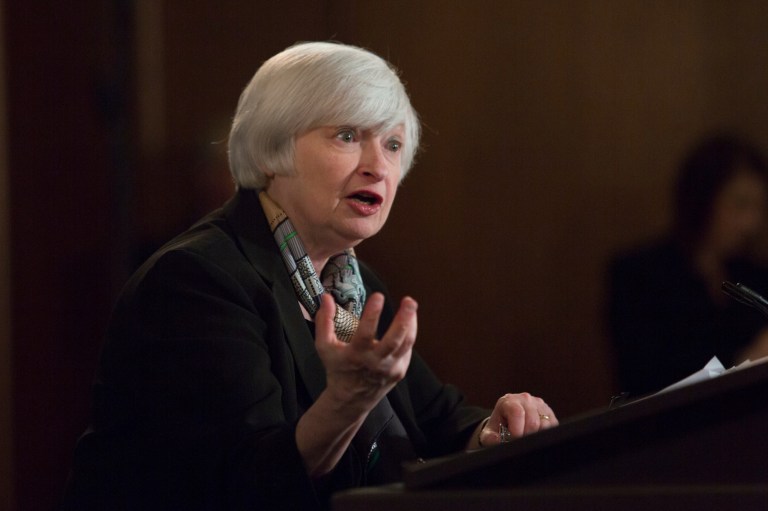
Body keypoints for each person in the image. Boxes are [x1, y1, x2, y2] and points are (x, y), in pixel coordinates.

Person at [62, 42, 558, 510]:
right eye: (348, 136)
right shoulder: (197, 281)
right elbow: (248, 486)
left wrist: (497, 428)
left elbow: (439, 422)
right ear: (270, 147)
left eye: (392, 144)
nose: (378, 167)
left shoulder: (355, 284)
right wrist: (348, 401)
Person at [608, 133, 768, 398]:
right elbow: (643, 378)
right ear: (703, 198)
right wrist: (745, 361)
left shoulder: (755, 276)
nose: (751, 223)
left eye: (759, 208)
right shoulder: (641, 275)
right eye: (740, 205)